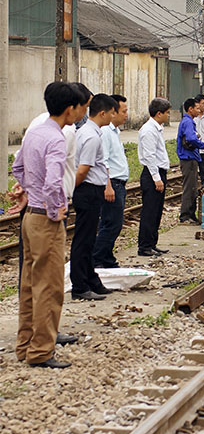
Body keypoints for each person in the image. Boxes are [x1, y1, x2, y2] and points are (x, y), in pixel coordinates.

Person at [12, 82, 83, 368]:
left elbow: (17, 167)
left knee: (29, 283)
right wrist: (56, 210)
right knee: (50, 287)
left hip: (30, 217)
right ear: (70, 109)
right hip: (45, 220)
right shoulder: (55, 137)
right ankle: (41, 350)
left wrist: (29, 191)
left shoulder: (34, 132)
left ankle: (24, 345)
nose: (82, 113)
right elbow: (54, 182)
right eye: (81, 108)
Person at [70, 94, 117, 301]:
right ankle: (79, 286)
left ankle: (91, 280)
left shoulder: (89, 132)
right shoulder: (91, 136)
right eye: (113, 112)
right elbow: (82, 171)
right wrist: (71, 191)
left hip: (90, 190)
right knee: (83, 240)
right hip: (88, 190)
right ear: (103, 113)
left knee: (89, 240)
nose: (114, 116)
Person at [92, 94, 130, 269]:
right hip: (112, 183)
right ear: (112, 112)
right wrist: (108, 186)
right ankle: (98, 258)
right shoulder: (106, 132)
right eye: (123, 111)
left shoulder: (115, 131)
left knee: (112, 223)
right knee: (111, 224)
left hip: (118, 183)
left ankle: (106, 257)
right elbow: (103, 160)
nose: (126, 114)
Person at [137, 98, 172, 257]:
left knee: (157, 211)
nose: (169, 115)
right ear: (159, 114)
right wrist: (156, 178)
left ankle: (152, 243)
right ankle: (144, 246)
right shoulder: (149, 130)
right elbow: (149, 156)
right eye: (167, 113)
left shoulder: (157, 128)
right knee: (150, 212)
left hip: (158, 172)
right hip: (152, 174)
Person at [177, 98, 204, 224]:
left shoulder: (188, 121)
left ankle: (191, 214)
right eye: (196, 108)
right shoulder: (188, 122)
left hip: (190, 158)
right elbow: (191, 138)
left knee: (192, 187)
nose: (198, 110)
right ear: (190, 109)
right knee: (189, 188)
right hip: (188, 158)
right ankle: (185, 215)